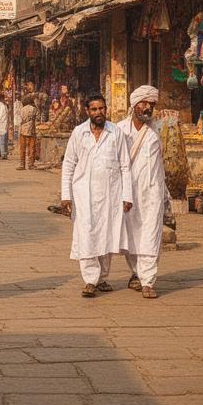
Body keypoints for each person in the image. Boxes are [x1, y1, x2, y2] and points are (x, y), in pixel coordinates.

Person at [60, 94, 133, 298]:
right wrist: (66, 196)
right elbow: (69, 164)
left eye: (101, 109)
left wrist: (127, 195)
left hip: (111, 195)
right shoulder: (79, 133)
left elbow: (125, 166)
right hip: (83, 195)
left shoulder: (116, 133)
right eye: (94, 109)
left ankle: (102, 278)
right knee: (86, 235)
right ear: (87, 111)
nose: (98, 113)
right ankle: (90, 281)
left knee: (107, 236)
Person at [119, 86, 166, 299]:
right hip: (128, 192)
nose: (147, 108)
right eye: (143, 103)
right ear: (134, 104)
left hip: (152, 192)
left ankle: (148, 281)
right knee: (131, 235)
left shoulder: (158, 130)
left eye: (151, 104)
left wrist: (165, 194)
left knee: (151, 234)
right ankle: (136, 273)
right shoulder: (119, 130)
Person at [15, 91, 39, 170]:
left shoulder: (22, 109)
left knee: (22, 148)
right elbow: (37, 118)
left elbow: (20, 119)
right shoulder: (34, 109)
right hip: (31, 130)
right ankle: (31, 164)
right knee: (31, 147)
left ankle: (22, 164)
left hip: (22, 130)